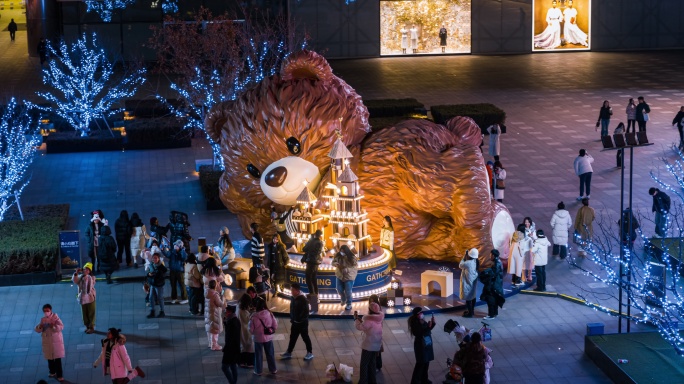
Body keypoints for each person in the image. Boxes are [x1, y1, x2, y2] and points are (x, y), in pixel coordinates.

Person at [281, 282, 314, 360]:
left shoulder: (303, 300)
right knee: (293, 337)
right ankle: (289, 352)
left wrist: (300, 319)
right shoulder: (293, 297)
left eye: (292, 290)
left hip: (302, 323)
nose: (291, 291)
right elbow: (292, 308)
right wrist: (293, 319)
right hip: (295, 322)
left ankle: (310, 352)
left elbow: (306, 312)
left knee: (305, 337)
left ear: (297, 291)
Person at [354, 302, 384, 384]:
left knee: (364, 364)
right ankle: (372, 381)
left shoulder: (369, 320)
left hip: (368, 346)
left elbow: (360, 327)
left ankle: (363, 381)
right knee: (372, 364)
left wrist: (356, 319)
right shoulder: (379, 319)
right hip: (376, 345)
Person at [35, 304, 65, 382]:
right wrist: (40, 327)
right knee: (50, 358)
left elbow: (61, 326)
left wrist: (53, 327)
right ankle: (52, 372)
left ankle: (60, 375)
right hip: (47, 342)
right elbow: (37, 329)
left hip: (56, 342)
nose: (46, 312)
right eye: (45, 311)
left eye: (47, 311)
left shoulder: (55, 318)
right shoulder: (43, 320)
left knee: (57, 359)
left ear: (51, 310)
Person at [249, 297, 278, 375]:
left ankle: (258, 371)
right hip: (268, 338)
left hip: (258, 339)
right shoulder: (270, 313)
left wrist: (254, 333)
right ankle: (273, 369)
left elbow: (251, 329)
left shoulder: (254, 316)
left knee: (258, 355)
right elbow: (275, 325)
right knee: (270, 353)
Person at [408, 307, 435, 384]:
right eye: (420, 313)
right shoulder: (415, 323)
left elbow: (427, 329)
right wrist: (428, 328)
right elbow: (418, 333)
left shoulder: (422, 321)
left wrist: (432, 324)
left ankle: (424, 379)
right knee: (421, 363)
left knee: (426, 362)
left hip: (427, 343)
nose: (422, 314)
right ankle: (415, 381)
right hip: (421, 345)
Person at [479, 249, 505, 320]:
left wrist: (485, 274)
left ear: (493, 255)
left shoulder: (496, 263)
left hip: (493, 285)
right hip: (497, 284)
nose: (490, 256)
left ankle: (491, 315)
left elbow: (493, 274)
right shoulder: (498, 262)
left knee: (490, 299)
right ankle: (494, 313)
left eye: (490, 255)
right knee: (495, 299)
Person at [73, 262, 97, 334]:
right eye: (84, 269)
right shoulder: (81, 276)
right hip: (82, 298)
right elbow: (75, 281)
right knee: (84, 313)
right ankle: (87, 326)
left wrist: (85, 276)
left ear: (90, 271)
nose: (85, 271)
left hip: (90, 298)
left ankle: (91, 326)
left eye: (87, 269)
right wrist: (76, 273)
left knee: (91, 312)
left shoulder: (91, 277)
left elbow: (89, 287)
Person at [333, 244, 358, 310]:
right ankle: (343, 298)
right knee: (339, 289)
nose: (342, 253)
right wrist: (336, 264)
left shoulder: (352, 257)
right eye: (341, 251)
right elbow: (333, 262)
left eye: (343, 251)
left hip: (349, 276)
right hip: (340, 275)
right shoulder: (338, 256)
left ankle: (349, 304)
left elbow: (354, 267)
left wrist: (347, 270)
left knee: (348, 291)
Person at [302, 229, 324, 300]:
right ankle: (316, 294)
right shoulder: (320, 243)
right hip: (316, 263)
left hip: (310, 262)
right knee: (314, 279)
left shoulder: (311, 241)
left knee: (308, 278)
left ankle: (312, 294)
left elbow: (304, 249)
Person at [222, 304, 240, 384]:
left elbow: (231, 337)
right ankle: (234, 382)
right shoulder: (233, 320)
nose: (225, 312)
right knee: (233, 366)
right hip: (234, 349)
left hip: (230, 349)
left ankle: (232, 382)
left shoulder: (233, 322)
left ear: (230, 312)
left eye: (227, 311)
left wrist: (226, 348)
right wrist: (225, 323)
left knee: (224, 367)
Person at [206, 280, 226, 351]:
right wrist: (222, 297)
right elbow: (220, 304)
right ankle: (214, 345)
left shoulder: (207, 292)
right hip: (214, 314)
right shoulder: (215, 295)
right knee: (215, 330)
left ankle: (210, 343)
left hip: (208, 313)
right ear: (215, 286)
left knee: (210, 329)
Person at [146, 253, 167, 318]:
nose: (154, 259)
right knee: (151, 297)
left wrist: (155, 275)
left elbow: (163, 275)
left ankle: (162, 311)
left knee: (160, 298)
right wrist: (149, 274)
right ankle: (152, 311)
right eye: (153, 258)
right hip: (153, 284)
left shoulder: (161, 267)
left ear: (158, 258)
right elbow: (148, 272)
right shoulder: (151, 265)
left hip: (159, 285)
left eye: (156, 258)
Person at [459, 248, 479, 318]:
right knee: (473, 296)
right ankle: (472, 311)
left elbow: (460, 265)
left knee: (468, 298)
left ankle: (470, 313)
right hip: (473, 282)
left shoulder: (468, 263)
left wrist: (464, 256)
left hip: (468, 283)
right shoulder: (475, 261)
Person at [237, 293, 255, 367]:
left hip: (240, 329)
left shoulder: (239, 307)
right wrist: (252, 314)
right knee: (248, 345)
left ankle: (241, 362)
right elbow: (247, 320)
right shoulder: (243, 311)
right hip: (245, 330)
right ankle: (248, 362)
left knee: (242, 345)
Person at [168, 240, 188, 304]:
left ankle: (185, 298)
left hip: (180, 270)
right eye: (175, 245)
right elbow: (168, 254)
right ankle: (174, 298)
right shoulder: (173, 252)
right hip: (173, 270)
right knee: (173, 285)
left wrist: (181, 250)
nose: (175, 246)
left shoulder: (183, 252)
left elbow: (183, 258)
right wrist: (163, 249)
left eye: (176, 245)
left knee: (182, 285)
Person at [368, 295, 384, 370]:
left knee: (376, 350)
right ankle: (377, 365)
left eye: (372, 300)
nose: (371, 302)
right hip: (376, 331)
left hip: (376, 332)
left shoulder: (376, 309)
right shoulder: (376, 309)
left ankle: (377, 365)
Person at [521, 217, 536, 282]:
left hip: (530, 249)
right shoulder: (522, 229)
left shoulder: (533, 230)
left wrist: (532, 236)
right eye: (526, 222)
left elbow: (535, 239)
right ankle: (523, 276)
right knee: (523, 263)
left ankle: (529, 275)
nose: (527, 223)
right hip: (524, 249)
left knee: (530, 263)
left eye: (528, 222)